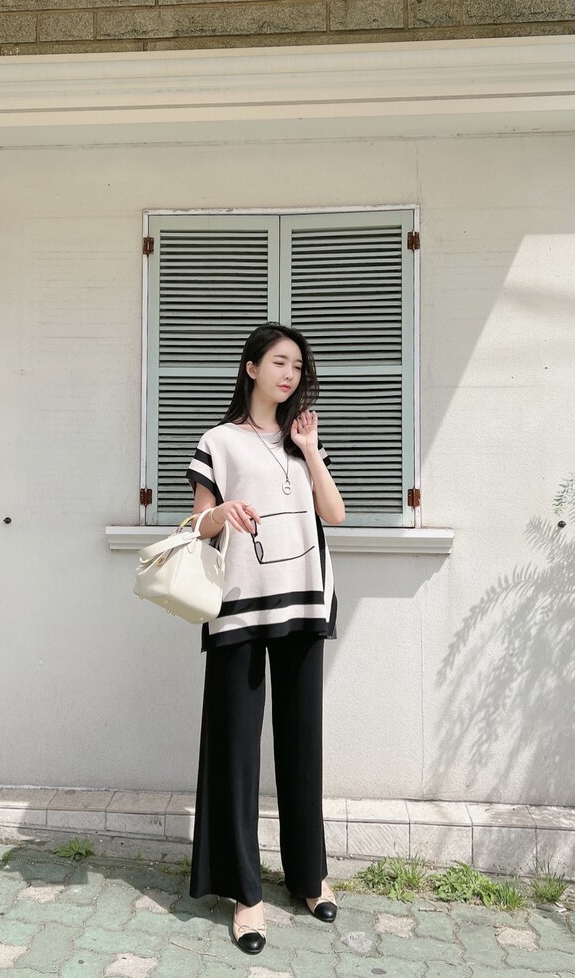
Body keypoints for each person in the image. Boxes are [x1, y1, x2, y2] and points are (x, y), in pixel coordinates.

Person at [185, 322, 345, 955]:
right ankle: (246, 895)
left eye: (298, 366)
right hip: (239, 609)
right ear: (251, 367)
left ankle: (310, 876)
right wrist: (220, 514)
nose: (290, 374)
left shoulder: (303, 437)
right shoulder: (218, 442)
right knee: (236, 752)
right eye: (279, 362)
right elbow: (195, 524)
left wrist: (309, 450)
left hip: (305, 601)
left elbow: (334, 513)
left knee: (303, 746)